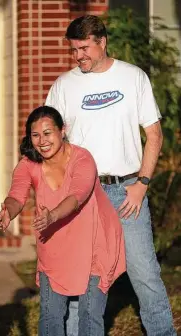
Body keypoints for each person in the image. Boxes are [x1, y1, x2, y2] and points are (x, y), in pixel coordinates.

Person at [45, 15, 176, 336]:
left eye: (85, 48)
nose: (79, 57)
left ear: (102, 41)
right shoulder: (64, 86)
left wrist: (142, 184)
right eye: (74, 50)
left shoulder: (133, 78)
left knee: (144, 273)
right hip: (82, 196)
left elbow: (154, 135)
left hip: (127, 191)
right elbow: (49, 142)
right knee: (83, 278)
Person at [0, 106, 126, 336]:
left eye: (48, 133)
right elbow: (17, 195)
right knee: (50, 315)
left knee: (89, 315)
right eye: (35, 135)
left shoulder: (82, 158)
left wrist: (52, 216)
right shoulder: (29, 165)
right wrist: (8, 211)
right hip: (55, 246)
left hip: (94, 242)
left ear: (62, 130)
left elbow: (78, 195)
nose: (42, 141)